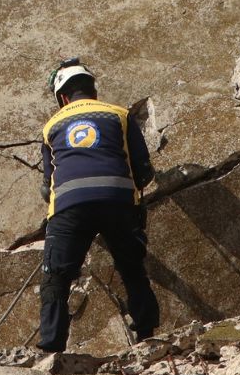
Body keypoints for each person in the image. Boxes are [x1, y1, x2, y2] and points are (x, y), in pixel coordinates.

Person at [38, 58, 161, 353]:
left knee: (56, 278)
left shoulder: (51, 126)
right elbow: (143, 169)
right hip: (117, 201)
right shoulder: (119, 114)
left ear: (63, 98)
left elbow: (47, 187)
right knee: (131, 268)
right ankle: (147, 333)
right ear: (92, 91)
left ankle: (51, 347)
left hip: (68, 208)